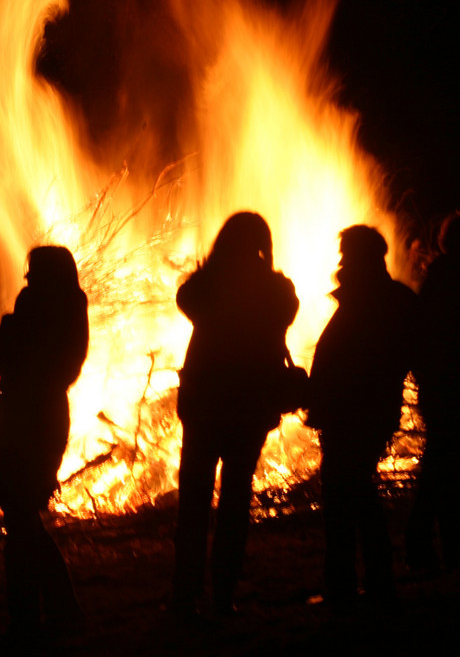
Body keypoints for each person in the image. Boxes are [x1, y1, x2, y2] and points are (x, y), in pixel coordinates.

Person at [172, 212, 299, 617]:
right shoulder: (278, 290)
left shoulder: (206, 287)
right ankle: (223, 594)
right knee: (235, 501)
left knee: (193, 501)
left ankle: (186, 593)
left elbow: (187, 299)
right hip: (250, 406)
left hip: (205, 403)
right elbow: (285, 313)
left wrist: (216, 267)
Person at [0, 245, 88, 644]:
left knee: (21, 519)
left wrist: (13, 329)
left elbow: (8, 358)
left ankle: (35, 618)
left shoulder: (54, 310)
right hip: (25, 417)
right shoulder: (58, 306)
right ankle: (47, 613)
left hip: (36, 420)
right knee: (22, 518)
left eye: (34, 272)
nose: (27, 278)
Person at [308, 226, 417, 606]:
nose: (341, 259)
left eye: (346, 251)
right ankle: (370, 580)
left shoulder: (374, 299)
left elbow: (361, 360)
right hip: (358, 410)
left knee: (345, 496)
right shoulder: (384, 297)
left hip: (355, 411)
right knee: (353, 493)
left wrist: (325, 395)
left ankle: (348, 585)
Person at [405, 211, 460, 572]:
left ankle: (446, 543)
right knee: (445, 465)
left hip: (448, 385)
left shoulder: (449, 278)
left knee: (447, 465)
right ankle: (426, 543)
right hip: (448, 388)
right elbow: (443, 339)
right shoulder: (447, 281)